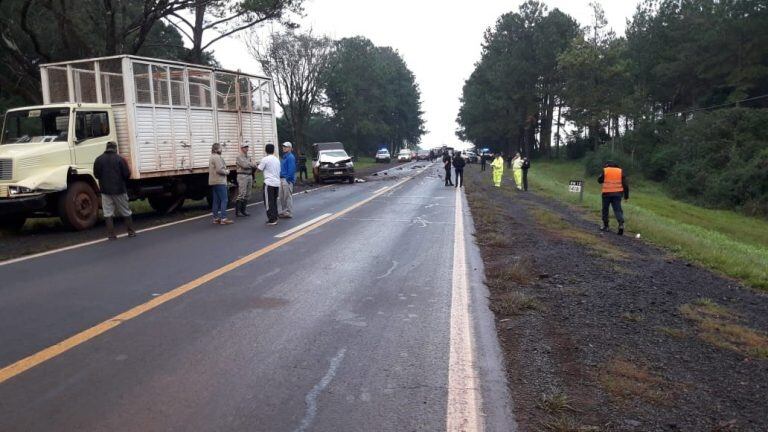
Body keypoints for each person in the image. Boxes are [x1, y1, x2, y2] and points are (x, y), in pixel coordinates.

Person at [94, 141, 136, 239]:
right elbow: (127, 174)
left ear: (107, 148)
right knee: (126, 211)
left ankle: (111, 234)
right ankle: (130, 232)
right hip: (119, 190)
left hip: (105, 191)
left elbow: (96, 175)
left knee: (108, 213)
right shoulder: (120, 159)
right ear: (115, 148)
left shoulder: (98, 159)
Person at [598, 161, 629, 235]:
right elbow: (625, 184)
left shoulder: (605, 170)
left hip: (606, 193)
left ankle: (606, 226)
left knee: (605, 209)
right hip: (617, 194)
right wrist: (626, 196)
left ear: (607, 165)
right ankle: (621, 225)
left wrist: (601, 176)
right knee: (617, 209)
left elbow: (599, 181)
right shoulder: (620, 171)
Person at [209, 143, 233, 225]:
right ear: (216, 149)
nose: (221, 149)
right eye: (220, 148)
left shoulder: (212, 156)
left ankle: (215, 218)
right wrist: (227, 172)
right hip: (220, 181)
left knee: (216, 201)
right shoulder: (217, 157)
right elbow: (219, 169)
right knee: (224, 199)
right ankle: (224, 218)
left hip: (214, 181)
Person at [257, 143, 281, 225]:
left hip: (269, 183)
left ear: (265, 150)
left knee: (268, 202)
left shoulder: (265, 159)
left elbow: (259, 169)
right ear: (273, 150)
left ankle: (272, 219)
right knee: (274, 201)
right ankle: (275, 215)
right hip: (277, 183)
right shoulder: (277, 159)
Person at [235, 143, 257, 217]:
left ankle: (243, 210)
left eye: (247, 147)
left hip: (249, 175)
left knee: (248, 194)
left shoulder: (249, 157)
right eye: (245, 147)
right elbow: (244, 166)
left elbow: (255, 165)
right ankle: (238, 212)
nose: (246, 148)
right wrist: (251, 164)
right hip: (242, 175)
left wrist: (249, 164)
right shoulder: (239, 157)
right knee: (242, 193)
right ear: (242, 148)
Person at [279, 141, 296, 218]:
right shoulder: (284, 157)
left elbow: (291, 170)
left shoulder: (290, 157)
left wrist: (288, 179)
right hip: (281, 179)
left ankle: (289, 212)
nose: (284, 148)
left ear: (289, 148)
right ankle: (284, 211)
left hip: (286, 179)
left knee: (287, 196)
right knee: (282, 196)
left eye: (285, 147)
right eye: (283, 146)